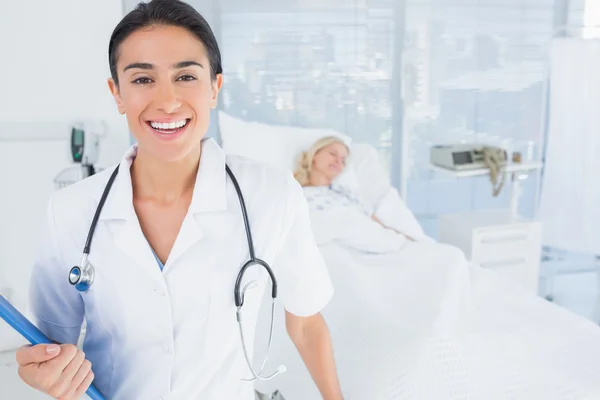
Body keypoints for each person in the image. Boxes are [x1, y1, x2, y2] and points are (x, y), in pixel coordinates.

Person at [15, 1, 343, 399]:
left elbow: (306, 323)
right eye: (141, 80)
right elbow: (47, 344)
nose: (167, 101)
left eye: (185, 76)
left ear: (214, 88)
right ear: (116, 93)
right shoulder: (70, 211)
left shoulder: (273, 196)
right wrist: (39, 373)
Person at [293, 136, 419, 242]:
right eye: (332, 154)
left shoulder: (346, 193)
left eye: (343, 160)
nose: (338, 161)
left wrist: (407, 241)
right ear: (314, 155)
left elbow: (376, 225)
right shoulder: (295, 193)